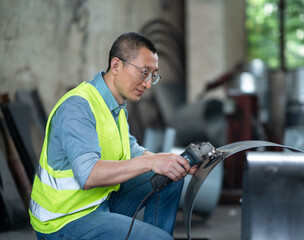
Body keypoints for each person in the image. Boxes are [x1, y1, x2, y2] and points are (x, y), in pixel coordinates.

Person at [29, 32, 197, 240]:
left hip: (99, 202)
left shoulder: (115, 106)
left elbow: (131, 149)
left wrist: (171, 162)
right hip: (64, 219)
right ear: (116, 66)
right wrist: (152, 162)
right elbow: (89, 175)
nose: (147, 84)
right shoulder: (78, 107)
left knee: (168, 178)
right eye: (144, 72)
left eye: (153, 75)